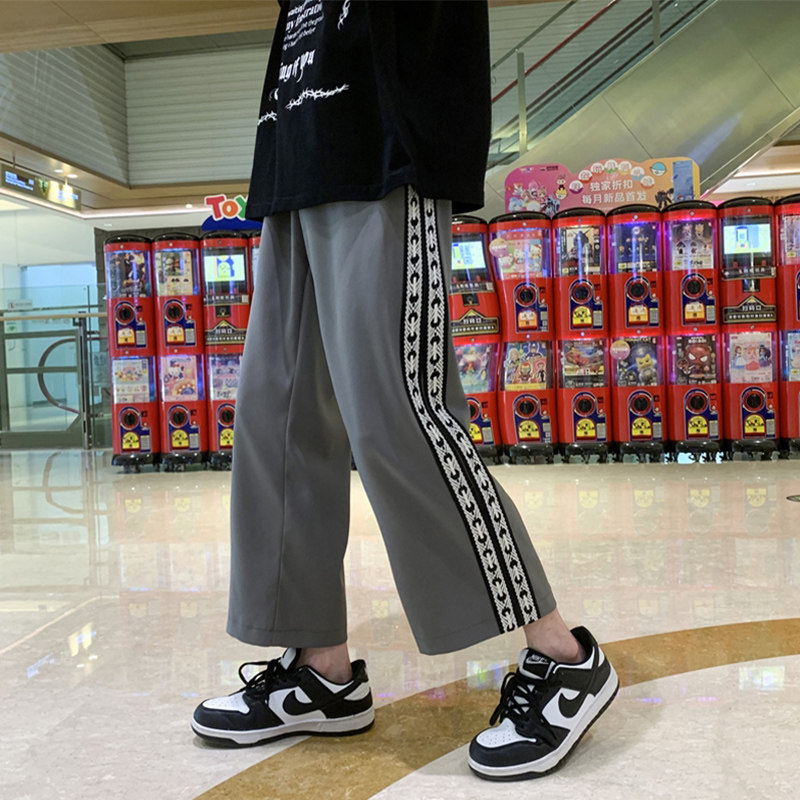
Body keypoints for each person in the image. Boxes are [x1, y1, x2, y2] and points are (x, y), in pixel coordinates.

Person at [192, 0, 618, 781]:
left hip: (383, 138)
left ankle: (563, 656)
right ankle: (320, 670)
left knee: (398, 413)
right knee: (276, 421)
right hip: (295, 153)